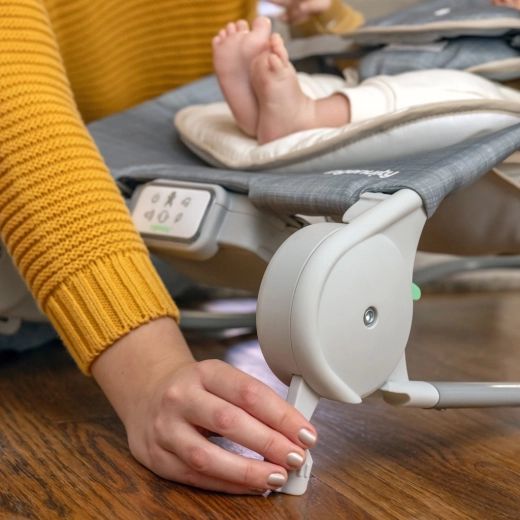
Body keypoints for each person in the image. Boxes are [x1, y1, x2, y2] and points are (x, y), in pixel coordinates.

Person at [0, 0, 364, 494]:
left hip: (146, 237)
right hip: (50, 246)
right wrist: (151, 374)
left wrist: (322, 18)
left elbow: (380, 70)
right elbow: (21, 120)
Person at [213, 17, 520, 145]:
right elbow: (360, 42)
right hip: (358, 79)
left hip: (499, 99)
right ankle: (259, 110)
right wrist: (325, 13)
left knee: (451, 91)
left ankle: (303, 116)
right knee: (315, 83)